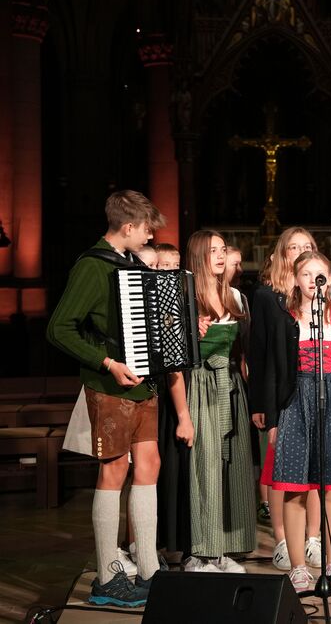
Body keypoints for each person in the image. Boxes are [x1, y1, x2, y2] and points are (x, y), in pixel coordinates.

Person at [47, 190, 169, 607]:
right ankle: (106, 576)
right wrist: (107, 362)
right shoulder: (92, 265)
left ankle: (149, 569)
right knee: (114, 470)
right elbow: (59, 328)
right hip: (110, 384)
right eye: (147, 228)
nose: (151, 235)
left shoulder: (132, 263)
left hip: (143, 385)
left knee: (149, 464)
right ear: (128, 226)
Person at [272, 251, 331, 591]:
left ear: (330, 279)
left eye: (319, 274)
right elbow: (275, 371)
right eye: (306, 274)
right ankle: (298, 566)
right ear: (296, 280)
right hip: (295, 406)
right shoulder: (286, 320)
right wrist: (273, 421)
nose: (313, 281)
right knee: (295, 490)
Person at [168, 231, 256, 573]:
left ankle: (224, 549)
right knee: (204, 469)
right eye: (212, 251)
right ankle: (200, 552)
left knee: (232, 468)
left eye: (222, 250)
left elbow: (243, 354)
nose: (220, 256)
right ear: (198, 256)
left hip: (230, 386)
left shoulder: (233, 296)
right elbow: (174, 365)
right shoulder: (184, 297)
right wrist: (183, 416)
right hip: (200, 386)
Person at [248, 228, 325, 571]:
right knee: (281, 470)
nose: (300, 251)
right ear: (282, 254)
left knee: (313, 471)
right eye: (293, 247)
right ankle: (281, 539)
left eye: (307, 246)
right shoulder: (268, 296)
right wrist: (259, 403)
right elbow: (259, 353)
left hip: (315, 391)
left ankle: (313, 538)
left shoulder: (319, 294)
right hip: (281, 394)